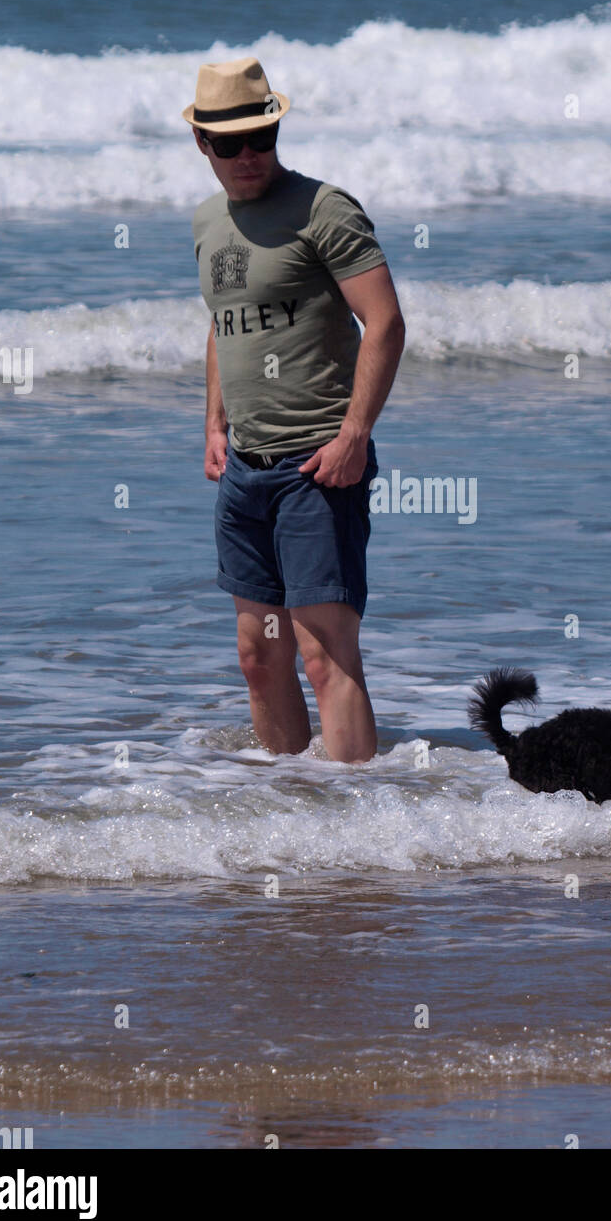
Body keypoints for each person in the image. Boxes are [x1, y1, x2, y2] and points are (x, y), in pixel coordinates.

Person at [184, 57, 405, 762]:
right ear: (203, 146)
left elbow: (386, 322)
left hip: (318, 467)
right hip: (245, 469)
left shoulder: (324, 210)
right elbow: (225, 324)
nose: (248, 155)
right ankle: (288, 817)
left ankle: (354, 834)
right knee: (259, 656)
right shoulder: (207, 223)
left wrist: (354, 437)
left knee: (324, 655)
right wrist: (214, 423)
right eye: (230, 144)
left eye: (261, 138)